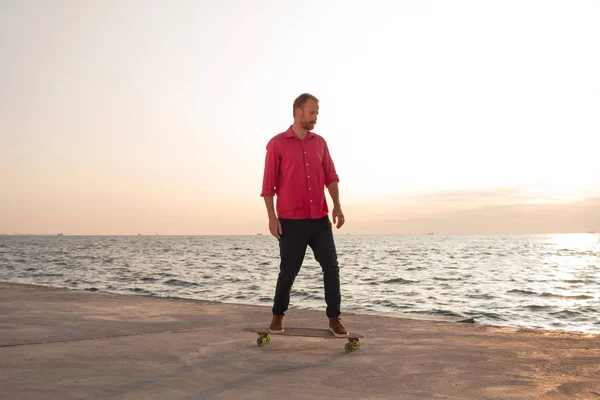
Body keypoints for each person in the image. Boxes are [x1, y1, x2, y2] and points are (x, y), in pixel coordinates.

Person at [260, 93, 349, 337]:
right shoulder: (277, 144)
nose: (316, 117)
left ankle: (334, 319)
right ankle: (278, 316)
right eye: (312, 113)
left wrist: (337, 205)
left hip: (319, 218)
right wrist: (271, 217)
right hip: (290, 220)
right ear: (299, 112)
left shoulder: (320, 143)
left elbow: (331, 176)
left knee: (331, 266)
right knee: (289, 270)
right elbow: (268, 186)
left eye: (317, 113)